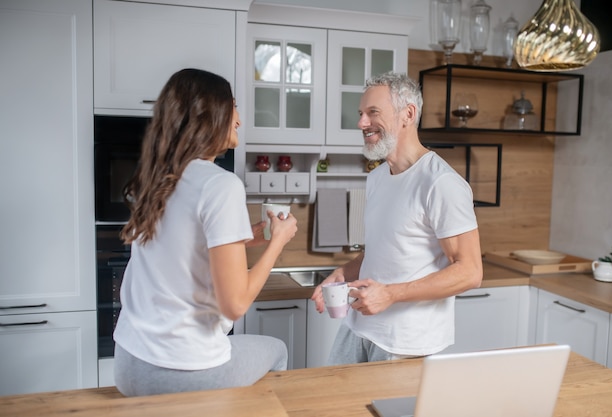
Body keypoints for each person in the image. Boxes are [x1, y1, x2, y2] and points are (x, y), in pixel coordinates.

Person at [113, 68, 298, 396]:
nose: (239, 119)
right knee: (278, 350)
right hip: (181, 372)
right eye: (234, 107)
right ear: (211, 115)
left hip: (128, 364)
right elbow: (235, 305)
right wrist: (277, 242)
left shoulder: (158, 178)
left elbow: (182, 246)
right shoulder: (220, 184)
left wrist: (244, 237)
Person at [312, 72, 483, 364]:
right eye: (361, 114)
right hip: (358, 327)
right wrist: (343, 274)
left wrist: (390, 294)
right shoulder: (377, 177)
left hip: (404, 342)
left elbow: (470, 271)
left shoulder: (440, 183)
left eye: (372, 113)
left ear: (408, 114)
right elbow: (383, 251)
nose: (361, 123)